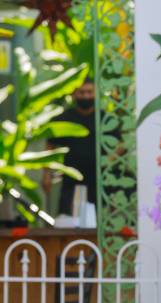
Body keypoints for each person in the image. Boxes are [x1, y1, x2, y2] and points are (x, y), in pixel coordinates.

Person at [43, 79, 97, 216]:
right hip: (70, 179)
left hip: (98, 179)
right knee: (67, 218)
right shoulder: (63, 118)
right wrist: (46, 174)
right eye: (82, 92)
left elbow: (121, 143)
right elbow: (50, 145)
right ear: (74, 94)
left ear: (96, 93)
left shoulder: (104, 119)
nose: (86, 96)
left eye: (89, 92)